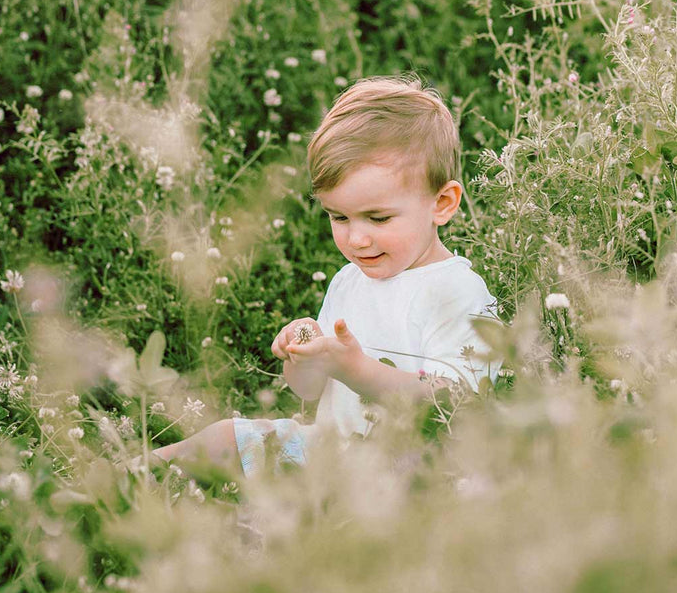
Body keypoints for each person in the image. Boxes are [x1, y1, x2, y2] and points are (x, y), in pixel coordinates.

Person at [154, 74, 501, 476]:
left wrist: (356, 370)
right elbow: (310, 392)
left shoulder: (454, 291)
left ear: (442, 203)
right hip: (333, 452)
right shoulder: (349, 281)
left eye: (378, 217)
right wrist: (304, 358)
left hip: (414, 471)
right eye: (339, 216)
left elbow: (455, 405)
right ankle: (117, 482)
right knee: (223, 438)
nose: (356, 239)